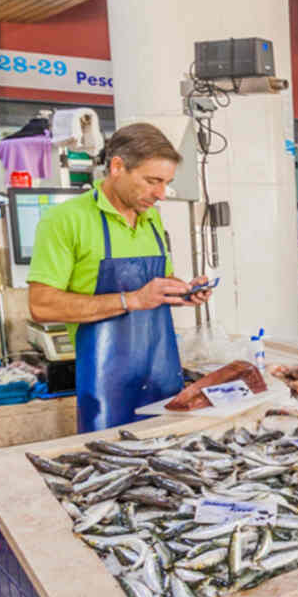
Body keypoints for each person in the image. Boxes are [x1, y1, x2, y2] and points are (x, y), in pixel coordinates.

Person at [28, 123, 214, 432]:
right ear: (117, 167)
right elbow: (41, 305)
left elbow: (156, 283)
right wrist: (131, 300)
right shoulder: (65, 220)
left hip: (162, 376)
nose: (160, 194)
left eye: (166, 183)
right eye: (152, 181)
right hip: (105, 386)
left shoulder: (151, 216)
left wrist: (181, 290)